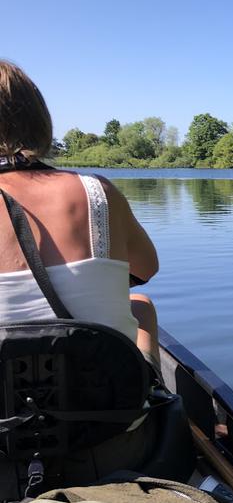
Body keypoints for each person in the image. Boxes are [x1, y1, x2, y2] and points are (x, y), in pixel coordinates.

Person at [0, 60, 160, 367]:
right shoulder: (97, 192)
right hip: (113, 411)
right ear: (38, 122)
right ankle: (159, 400)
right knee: (140, 307)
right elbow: (146, 268)